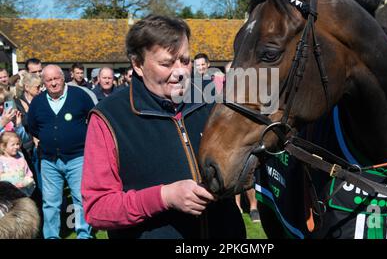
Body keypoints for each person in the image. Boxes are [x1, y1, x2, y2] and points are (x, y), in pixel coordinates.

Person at [82, 15, 245, 239]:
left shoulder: (212, 99)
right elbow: (97, 208)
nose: (181, 72)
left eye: (185, 60)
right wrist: (164, 197)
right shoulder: (108, 117)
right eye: (166, 63)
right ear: (137, 64)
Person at [27, 65, 95, 239]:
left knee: (80, 199)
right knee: (50, 203)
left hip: (77, 158)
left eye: (56, 78)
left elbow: (94, 119)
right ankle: (51, 236)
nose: (53, 83)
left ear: (63, 78)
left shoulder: (80, 96)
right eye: (49, 80)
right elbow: (33, 127)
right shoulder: (38, 102)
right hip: (49, 160)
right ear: (44, 83)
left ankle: (83, 235)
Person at [0, 131, 35, 197]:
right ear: (3, 146)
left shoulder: (20, 157)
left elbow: (28, 174)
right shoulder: (1, 160)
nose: (16, 147)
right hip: (6, 195)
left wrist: (26, 182)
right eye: (13, 144)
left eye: (17, 144)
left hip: (22, 193)